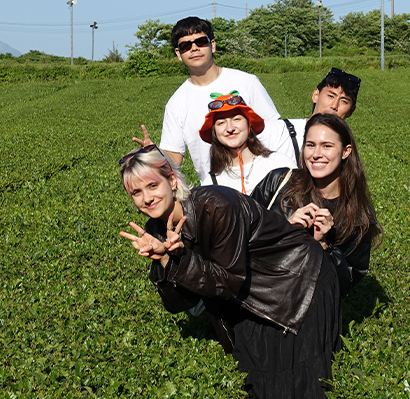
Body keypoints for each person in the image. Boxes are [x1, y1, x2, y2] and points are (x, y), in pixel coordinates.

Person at [118, 145, 341, 398]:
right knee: (258, 379)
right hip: (251, 294)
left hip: (298, 281)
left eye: (152, 186)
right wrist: (165, 260)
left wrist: (181, 257)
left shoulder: (218, 206)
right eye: (136, 192)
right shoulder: (155, 226)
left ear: (171, 181)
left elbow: (228, 282)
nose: (147, 198)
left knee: (295, 383)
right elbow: (180, 303)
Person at [251, 113, 383, 299]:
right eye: (310, 145)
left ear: (346, 151)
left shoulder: (359, 214)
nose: (316, 154)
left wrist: (322, 245)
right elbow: (240, 232)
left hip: (304, 314)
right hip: (256, 297)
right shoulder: (279, 181)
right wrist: (284, 229)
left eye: (327, 146)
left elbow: (345, 285)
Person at [158, 17, 280, 183]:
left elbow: (274, 132)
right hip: (217, 190)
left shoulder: (247, 82)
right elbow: (174, 156)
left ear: (212, 45)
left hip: (262, 180)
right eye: (186, 46)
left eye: (200, 41)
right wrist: (153, 156)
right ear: (178, 54)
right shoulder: (176, 103)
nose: (194, 48)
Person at [198, 93, 296, 194]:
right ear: (214, 132)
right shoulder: (211, 184)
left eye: (236, 119)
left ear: (249, 124)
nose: (230, 128)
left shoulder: (279, 164)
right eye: (221, 123)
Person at [279, 67, 362, 162]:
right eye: (330, 96)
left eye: (344, 101)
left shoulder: (346, 151)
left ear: (351, 111)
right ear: (316, 95)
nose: (334, 106)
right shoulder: (280, 132)